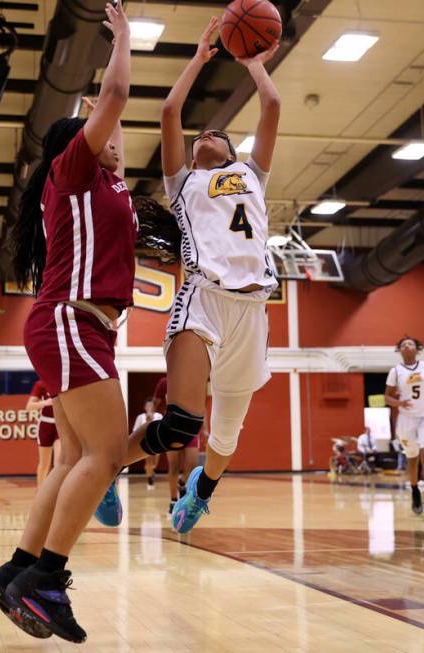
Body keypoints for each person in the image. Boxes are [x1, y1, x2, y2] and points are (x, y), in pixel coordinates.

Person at [0, 4, 135, 642]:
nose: (116, 137)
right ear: (77, 145)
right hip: (71, 322)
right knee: (107, 452)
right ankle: (44, 580)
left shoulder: (109, 190)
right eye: (102, 131)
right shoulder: (72, 175)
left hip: (75, 325)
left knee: (73, 456)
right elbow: (117, 94)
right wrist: (122, 38)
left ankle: (16, 569)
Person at [100, 15, 281, 536]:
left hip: (253, 312)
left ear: (232, 152)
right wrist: (200, 58)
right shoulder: (184, 184)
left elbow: (270, 106)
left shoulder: (251, 174)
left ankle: (202, 491)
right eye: (202, 135)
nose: (207, 135)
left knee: (225, 440)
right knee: (182, 424)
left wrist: (252, 64)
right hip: (202, 300)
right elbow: (170, 110)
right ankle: (108, 471)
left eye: (218, 135)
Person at [385, 336, 424, 516]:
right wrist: (398, 403)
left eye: (410, 343)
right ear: (399, 350)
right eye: (403, 344)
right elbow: (387, 397)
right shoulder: (395, 371)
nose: (406, 346)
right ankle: (415, 491)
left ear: (417, 349)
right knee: (412, 458)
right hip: (406, 418)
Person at [152, 375, 200, 513]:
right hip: (171, 427)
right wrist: (154, 419)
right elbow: (154, 404)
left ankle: (183, 482)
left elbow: (201, 405)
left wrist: (205, 429)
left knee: (193, 464)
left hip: (191, 426)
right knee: (173, 465)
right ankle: (173, 501)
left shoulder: (193, 380)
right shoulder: (164, 382)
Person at [28, 378, 60, 486]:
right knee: (44, 464)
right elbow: (29, 407)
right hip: (45, 425)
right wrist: (45, 402)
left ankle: (56, 493)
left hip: (61, 425)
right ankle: (40, 493)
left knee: (59, 462)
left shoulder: (64, 383)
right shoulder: (41, 384)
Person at [132, 399, 162, 489]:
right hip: (145, 442)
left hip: (157, 443)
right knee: (148, 461)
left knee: (155, 464)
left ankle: (152, 471)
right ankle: (149, 480)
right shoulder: (140, 417)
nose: (149, 407)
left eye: (151, 405)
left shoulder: (159, 416)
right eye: (148, 405)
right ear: (144, 407)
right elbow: (135, 431)